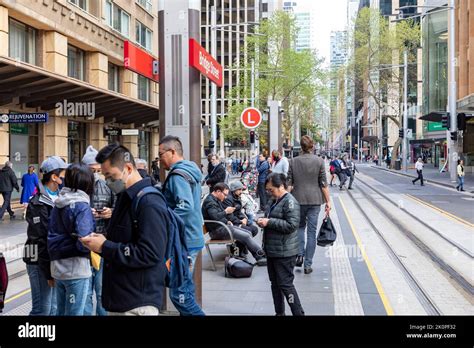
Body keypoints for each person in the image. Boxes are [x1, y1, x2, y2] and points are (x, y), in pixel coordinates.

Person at [80, 144, 169, 316]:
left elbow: (150, 253)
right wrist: (101, 240)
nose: (107, 181)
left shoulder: (149, 202)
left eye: (110, 175)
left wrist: (104, 246)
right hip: (121, 299)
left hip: (137, 303)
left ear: (128, 168)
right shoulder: (125, 197)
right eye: (103, 175)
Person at [158, 135, 205, 316]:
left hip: (184, 242)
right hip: (192, 238)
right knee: (185, 289)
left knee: (179, 294)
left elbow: (185, 206)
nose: (160, 159)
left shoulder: (177, 175)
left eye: (161, 154)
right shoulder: (190, 170)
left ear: (172, 152)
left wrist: (162, 220)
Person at [47, 163, 95, 316]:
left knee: (61, 311)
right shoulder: (82, 206)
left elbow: (51, 234)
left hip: (57, 268)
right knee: (75, 312)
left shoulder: (58, 204)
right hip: (76, 269)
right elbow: (84, 240)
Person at [23, 156, 67, 316]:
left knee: (53, 308)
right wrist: (49, 273)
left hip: (54, 261)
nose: (65, 177)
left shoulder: (62, 198)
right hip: (37, 260)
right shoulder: (37, 203)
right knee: (42, 309)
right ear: (54, 177)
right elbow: (39, 239)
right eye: (63, 173)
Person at [257, 173, 304, 316]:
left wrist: (269, 222)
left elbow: (292, 225)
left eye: (271, 189)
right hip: (273, 250)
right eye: (268, 190)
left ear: (281, 186)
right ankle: (279, 313)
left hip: (285, 252)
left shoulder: (290, 202)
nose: (269, 192)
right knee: (275, 285)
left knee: (285, 285)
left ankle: (298, 313)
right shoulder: (274, 200)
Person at [287, 135, 331, 274]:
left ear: (301, 147)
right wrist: (328, 201)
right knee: (311, 232)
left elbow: (289, 183)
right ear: (312, 147)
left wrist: (286, 199)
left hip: (297, 199)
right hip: (315, 200)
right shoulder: (319, 161)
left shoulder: (293, 161)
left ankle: (299, 254)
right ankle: (308, 264)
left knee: (299, 228)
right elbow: (323, 184)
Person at [81, 145, 114, 316]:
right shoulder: (76, 187)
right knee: (85, 293)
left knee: (102, 291)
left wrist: (111, 212)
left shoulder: (109, 185)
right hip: (83, 246)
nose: (94, 173)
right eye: (90, 170)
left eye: (96, 170)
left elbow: (120, 209)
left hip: (102, 245)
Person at [202, 182, 267, 265]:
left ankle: (254, 255)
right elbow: (215, 216)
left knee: (248, 232)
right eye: (224, 194)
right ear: (218, 192)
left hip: (222, 227)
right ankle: (260, 256)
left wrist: (227, 221)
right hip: (217, 231)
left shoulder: (215, 199)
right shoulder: (210, 202)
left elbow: (218, 216)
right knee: (246, 235)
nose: (225, 197)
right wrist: (226, 211)